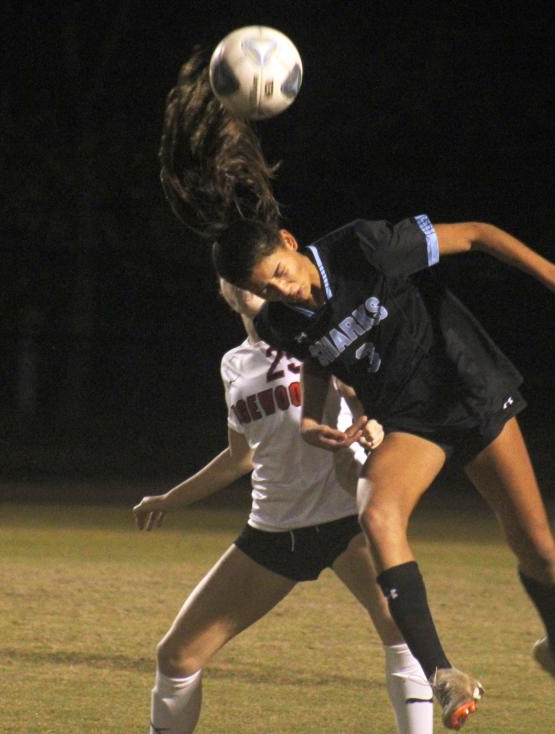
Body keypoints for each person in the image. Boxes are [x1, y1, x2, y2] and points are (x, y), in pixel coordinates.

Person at [159, 50, 555, 732]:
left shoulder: (361, 249)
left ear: (290, 241)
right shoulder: (284, 322)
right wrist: (318, 421)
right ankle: (441, 673)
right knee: (377, 514)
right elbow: (317, 361)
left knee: (539, 550)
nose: (278, 290)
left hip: (469, 386)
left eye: (279, 272)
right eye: (262, 288)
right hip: (411, 420)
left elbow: (480, 235)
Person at [133, 279, 434, 734]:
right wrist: (169, 499)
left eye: (248, 270)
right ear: (224, 292)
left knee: (404, 637)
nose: (241, 282)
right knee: (176, 656)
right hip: (276, 528)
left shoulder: (318, 337)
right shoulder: (233, 364)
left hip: (350, 518)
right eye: (229, 276)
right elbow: (240, 457)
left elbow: (372, 399)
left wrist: (376, 426)